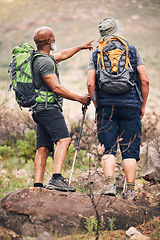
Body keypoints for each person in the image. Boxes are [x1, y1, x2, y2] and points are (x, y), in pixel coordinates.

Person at [87, 17, 149, 200]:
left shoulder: (96, 53)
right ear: (117, 30)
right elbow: (144, 79)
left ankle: (109, 186)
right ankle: (130, 191)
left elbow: (90, 84)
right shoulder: (132, 50)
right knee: (129, 149)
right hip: (131, 105)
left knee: (108, 148)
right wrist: (143, 104)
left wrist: (97, 103)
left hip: (106, 105)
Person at [32, 26, 92, 192]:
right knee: (64, 140)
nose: (55, 39)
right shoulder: (44, 62)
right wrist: (80, 98)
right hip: (49, 108)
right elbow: (56, 87)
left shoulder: (42, 58)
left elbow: (62, 55)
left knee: (43, 147)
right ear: (49, 40)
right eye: (53, 37)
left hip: (39, 109)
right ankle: (56, 179)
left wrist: (80, 47)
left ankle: (38, 185)